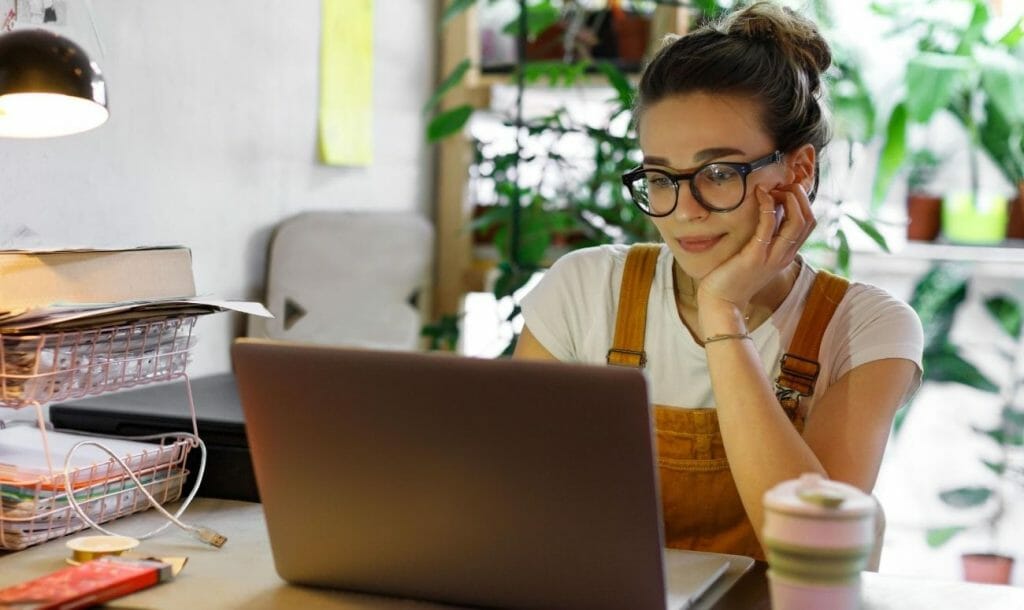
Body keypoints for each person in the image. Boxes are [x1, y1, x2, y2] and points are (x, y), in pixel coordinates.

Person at [513, 1, 923, 561]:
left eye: (719, 173)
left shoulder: (866, 329)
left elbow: (817, 549)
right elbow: (513, 500)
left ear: (798, 170)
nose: (684, 210)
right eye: (660, 177)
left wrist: (723, 314)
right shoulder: (586, 288)